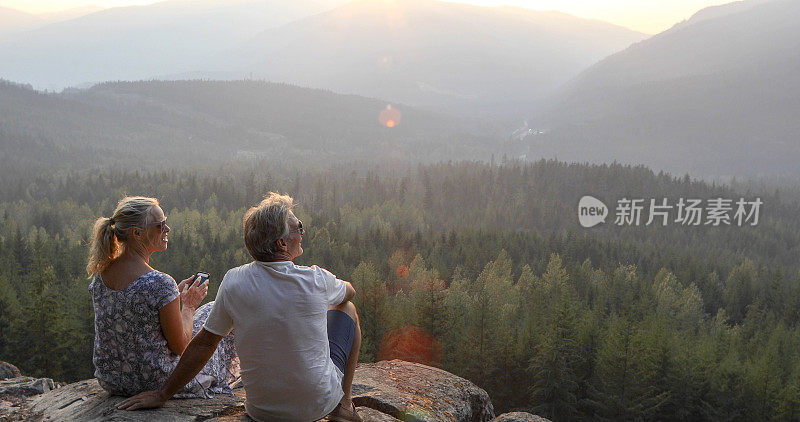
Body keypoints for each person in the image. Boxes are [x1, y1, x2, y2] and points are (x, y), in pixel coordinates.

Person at [117, 192, 363, 422]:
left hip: (262, 411)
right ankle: (344, 405)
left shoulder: (235, 280)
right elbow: (349, 291)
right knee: (347, 309)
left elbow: (204, 343)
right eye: (298, 228)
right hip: (316, 407)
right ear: (282, 245)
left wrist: (163, 394)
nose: (303, 232)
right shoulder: (317, 279)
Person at [86, 196, 239, 398]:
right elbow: (180, 347)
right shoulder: (158, 283)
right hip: (156, 382)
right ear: (137, 233)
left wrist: (172, 297)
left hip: (112, 380)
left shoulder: (100, 275)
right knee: (216, 312)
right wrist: (189, 306)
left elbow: (136, 315)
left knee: (209, 314)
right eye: (160, 225)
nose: (167, 229)